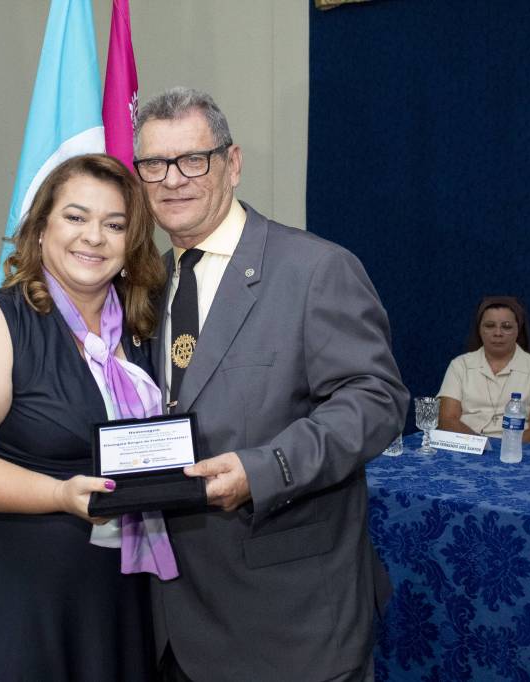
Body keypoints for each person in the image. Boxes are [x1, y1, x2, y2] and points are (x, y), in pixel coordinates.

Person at [133, 87, 408, 682]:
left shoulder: (314, 269)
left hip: (288, 624)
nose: (172, 179)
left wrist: (263, 470)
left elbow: (377, 400)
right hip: (173, 622)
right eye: (154, 164)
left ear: (232, 163)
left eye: (193, 159)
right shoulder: (147, 285)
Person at [0, 154, 166, 681]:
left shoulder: (145, 328)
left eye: (114, 224)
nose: (94, 237)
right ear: (39, 230)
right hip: (22, 602)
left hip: (122, 598)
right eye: (75, 217)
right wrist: (59, 494)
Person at [437, 296, 530, 442]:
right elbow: (447, 419)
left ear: (518, 330)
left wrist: (505, 449)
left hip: (517, 450)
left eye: (506, 327)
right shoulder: (460, 365)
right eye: (489, 326)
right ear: (479, 329)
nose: (498, 333)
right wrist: (480, 445)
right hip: (466, 446)